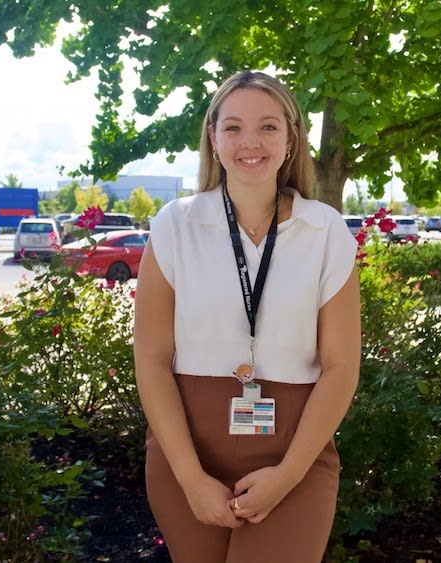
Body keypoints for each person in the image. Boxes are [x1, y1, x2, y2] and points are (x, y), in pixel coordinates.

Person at [133, 71, 361, 563]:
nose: (250, 142)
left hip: (294, 461)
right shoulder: (175, 227)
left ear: (291, 139)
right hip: (187, 459)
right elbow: (151, 359)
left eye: (268, 127)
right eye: (233, 127)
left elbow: (342, 366)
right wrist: (192, 480)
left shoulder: (327, 232)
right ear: (213, 139)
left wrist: (288, 475)